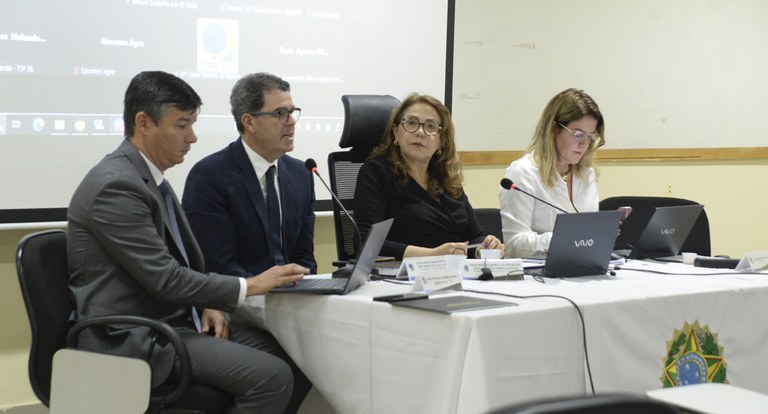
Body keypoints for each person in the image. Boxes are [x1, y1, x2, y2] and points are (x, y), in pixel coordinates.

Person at [67, 71, 311, 414]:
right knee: (271, 376)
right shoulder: (117, 187)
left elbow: (180, 266)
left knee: (301, 361)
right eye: (182, 125)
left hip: (174, 321)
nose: (193, 137)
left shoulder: (150, 179)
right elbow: (165, 278)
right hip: (132, 337)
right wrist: (251, 285)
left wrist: (209, 302)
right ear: (143, 123)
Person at [182, 73, 316, 280]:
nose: (291, 122)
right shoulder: (209, 176)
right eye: (280, 113)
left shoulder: (302, 174)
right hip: (239, 300)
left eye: (292, 112)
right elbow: (216, 264)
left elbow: (304, 256)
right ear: (249, 122)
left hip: (294, 297)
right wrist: (262, 287)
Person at [354, 93, 503, 260]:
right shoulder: (377, 172)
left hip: (453, 273)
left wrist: (484, 247)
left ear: (442, 141)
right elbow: (367, 242)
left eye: (431, 126)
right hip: (401, 275)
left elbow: (474, 236)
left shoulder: (447, 179)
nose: (420, 132)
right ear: (396, 132)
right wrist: (432, 255)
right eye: (411, 123)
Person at [500, 88, 605, 258]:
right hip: (537, 276)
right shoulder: (523, 173)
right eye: (578, 134)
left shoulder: (587, 175)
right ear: (554, 129)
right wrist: (561, 239)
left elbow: (586, 236)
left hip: (580, 267)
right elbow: (514, 244)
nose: (584, 144)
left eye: (591, 136)